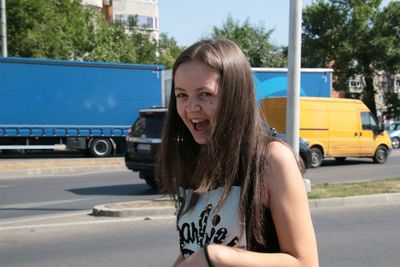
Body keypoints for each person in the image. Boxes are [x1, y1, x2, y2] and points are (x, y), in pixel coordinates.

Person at [157, 38, 318, 267]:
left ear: (234, 95)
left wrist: (216, 257)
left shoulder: (272, 159)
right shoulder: (193, 159)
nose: (190, 107)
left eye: (205, 94)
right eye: (182, 95)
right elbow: (193, 249)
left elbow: (305, 263)